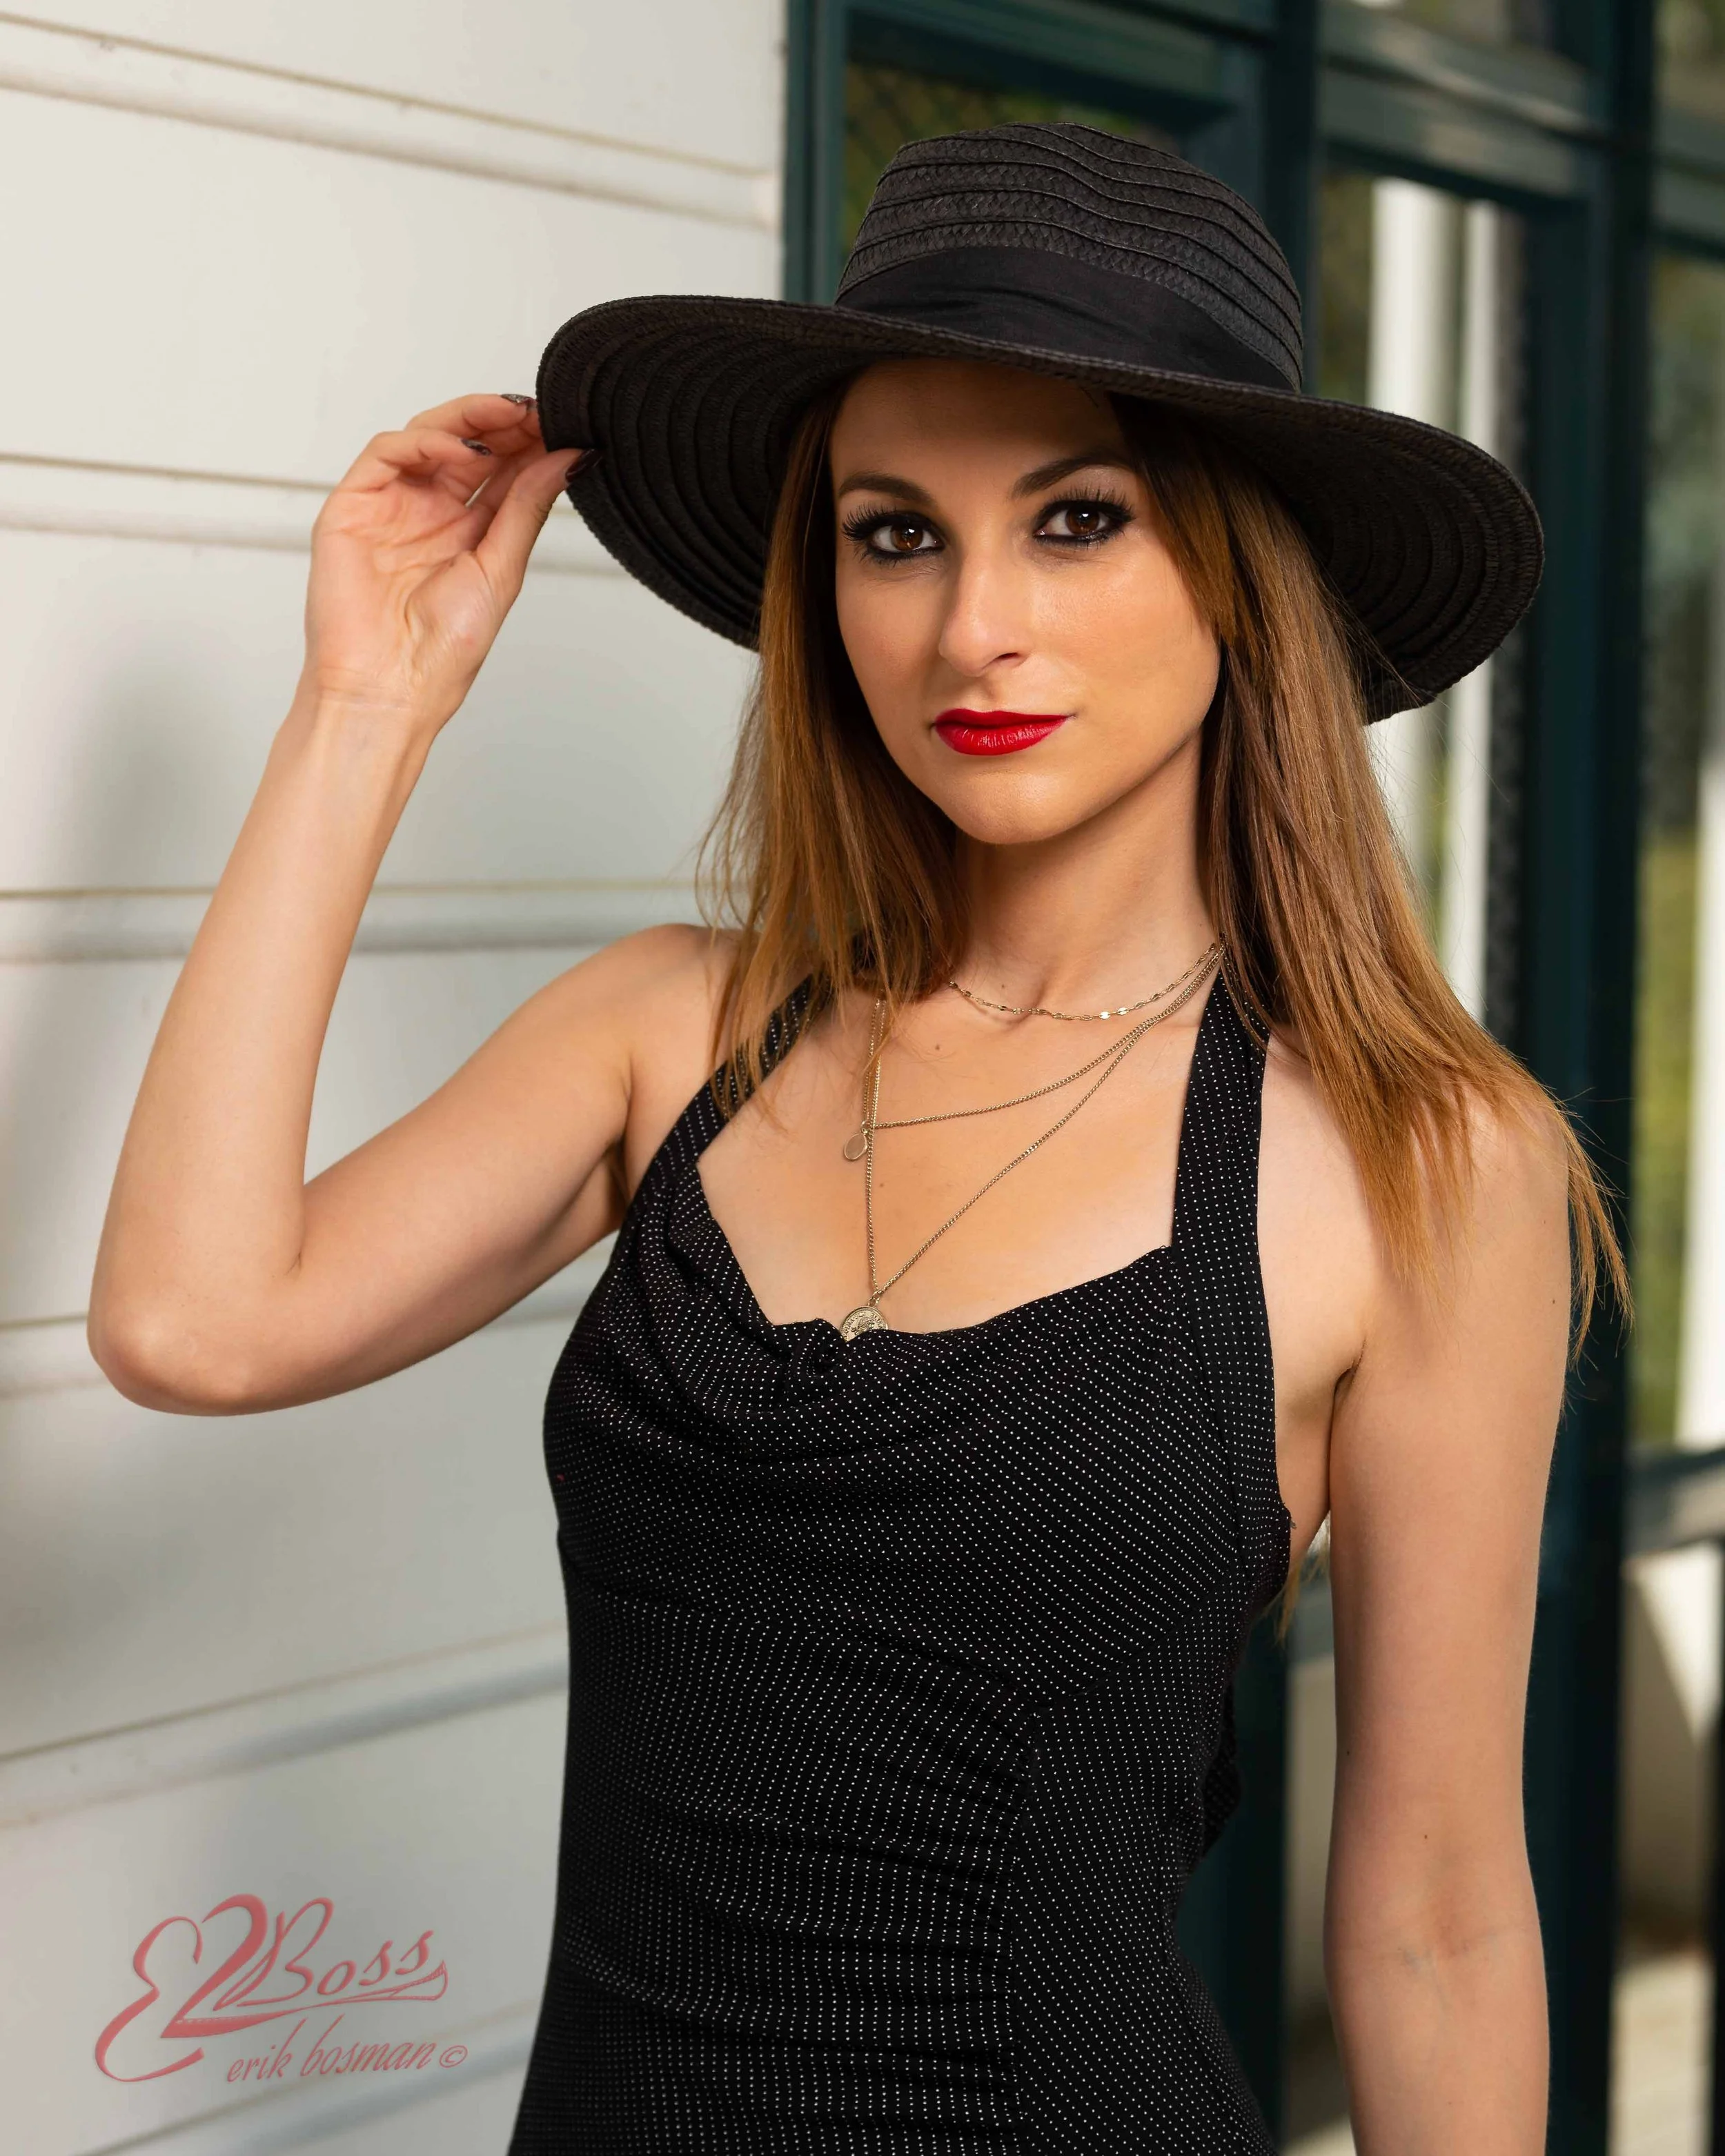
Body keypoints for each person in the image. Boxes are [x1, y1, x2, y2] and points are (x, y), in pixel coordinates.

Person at [89, 124, 1619, 2152]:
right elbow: (192, 1321)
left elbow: (1430, 1919)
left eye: (1074, 522)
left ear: (1243, 583)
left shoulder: (1424, 1165)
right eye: (894, 534)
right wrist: (363, 709)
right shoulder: (672, 1031)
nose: (968, 624)